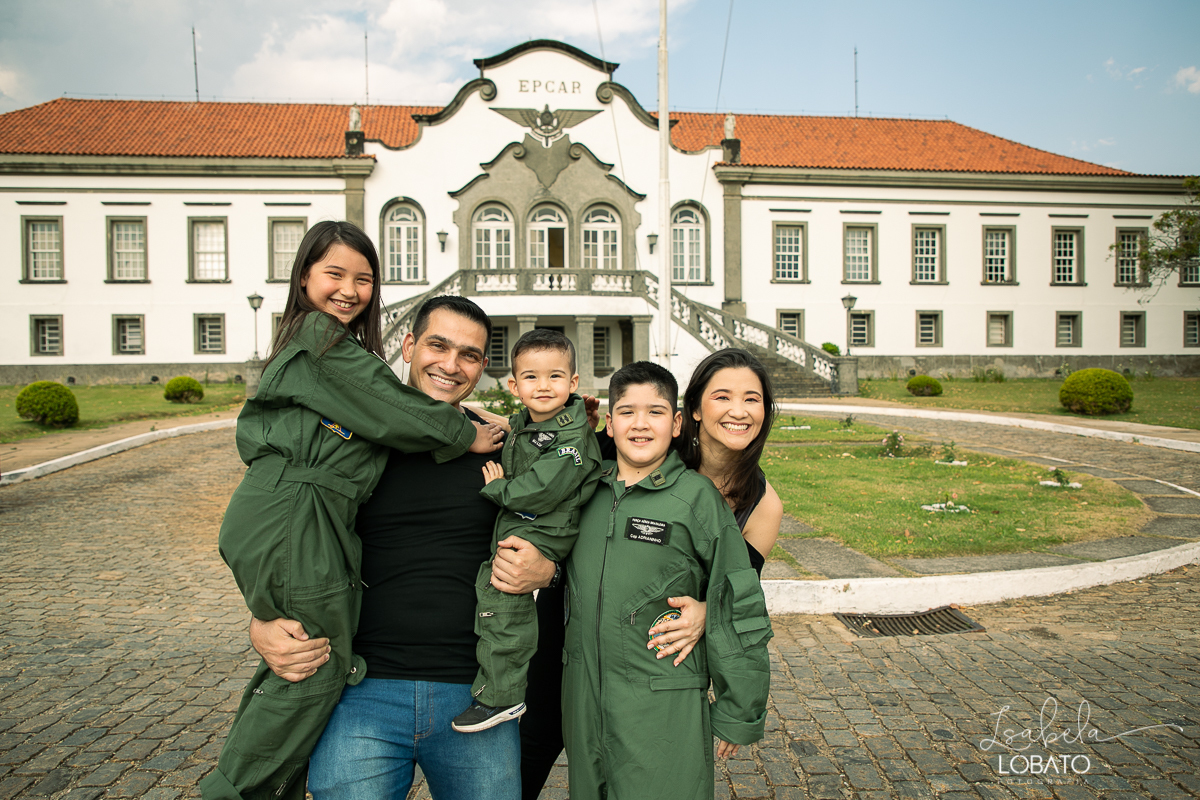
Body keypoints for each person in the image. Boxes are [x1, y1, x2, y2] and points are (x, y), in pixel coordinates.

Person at [201, 228, 502, 800]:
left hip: (464, 682)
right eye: (333, 275)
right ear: (408, 346)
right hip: (303, 533)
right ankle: (233, 790)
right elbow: (396, 409)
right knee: (309, 665)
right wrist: (261, 625)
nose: (349, 290)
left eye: (363, 279)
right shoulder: (321, 347)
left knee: (309, 662)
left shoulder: (347, 372)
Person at [247, 295, 556, 800]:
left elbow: (576, 531)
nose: (451, 366)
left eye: (470, 355)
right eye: (438, 345)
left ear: (484, 366)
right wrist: (261, 620)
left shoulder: (505, 447)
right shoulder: (347, 444)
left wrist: (549, 570)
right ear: (409, 346)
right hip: (360, 692)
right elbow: (280, 538)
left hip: (477, 695)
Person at [519, 348, 782, 798]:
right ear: (697, 411)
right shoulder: (593, 478)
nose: (737, 411)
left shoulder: (708, 499)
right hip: (575, 667)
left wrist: (740, 708)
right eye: (723, 397)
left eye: (751, 399)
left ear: (676, 421)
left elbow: (737, 598)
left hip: (657, 680)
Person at [453, 329, 603, 733]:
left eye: (555, 376)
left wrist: (496, 488)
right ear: (514, 385)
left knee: (505, 601)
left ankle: (502, 698)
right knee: (492, 595)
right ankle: (493, 679)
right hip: (529, 523)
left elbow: (540, 490)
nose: (543, 385)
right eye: (531, 377)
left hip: (545, 529)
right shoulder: (529, 421)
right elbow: (511, 427)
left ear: (573, 383)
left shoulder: (570, 437)